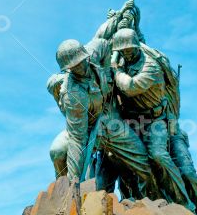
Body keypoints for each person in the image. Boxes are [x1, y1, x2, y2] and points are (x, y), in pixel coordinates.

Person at [48, 35, 158, 199]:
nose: (80, 67)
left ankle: (154, 198)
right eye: (75, 66)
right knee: (57, 151)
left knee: (141, 158)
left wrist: (108, 70)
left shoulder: (95, 50)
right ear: (68, 69)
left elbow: (106, 44)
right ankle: (64, 192)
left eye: (81, 61)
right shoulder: (72, 93)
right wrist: (74, 184)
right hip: (88, 129)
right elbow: (77, 140)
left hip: (111, 122)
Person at [112, 28, 195, 211]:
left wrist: (116, 71)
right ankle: (143, 200)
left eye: (129, 49)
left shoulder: (150, 66)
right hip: (132, 120)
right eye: (123, 50)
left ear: (136, 47)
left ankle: (183, 203)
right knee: (127, 161)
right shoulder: (122, 61)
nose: (126, 53)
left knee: (159, 155)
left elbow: (131, 87)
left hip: (155, 121)